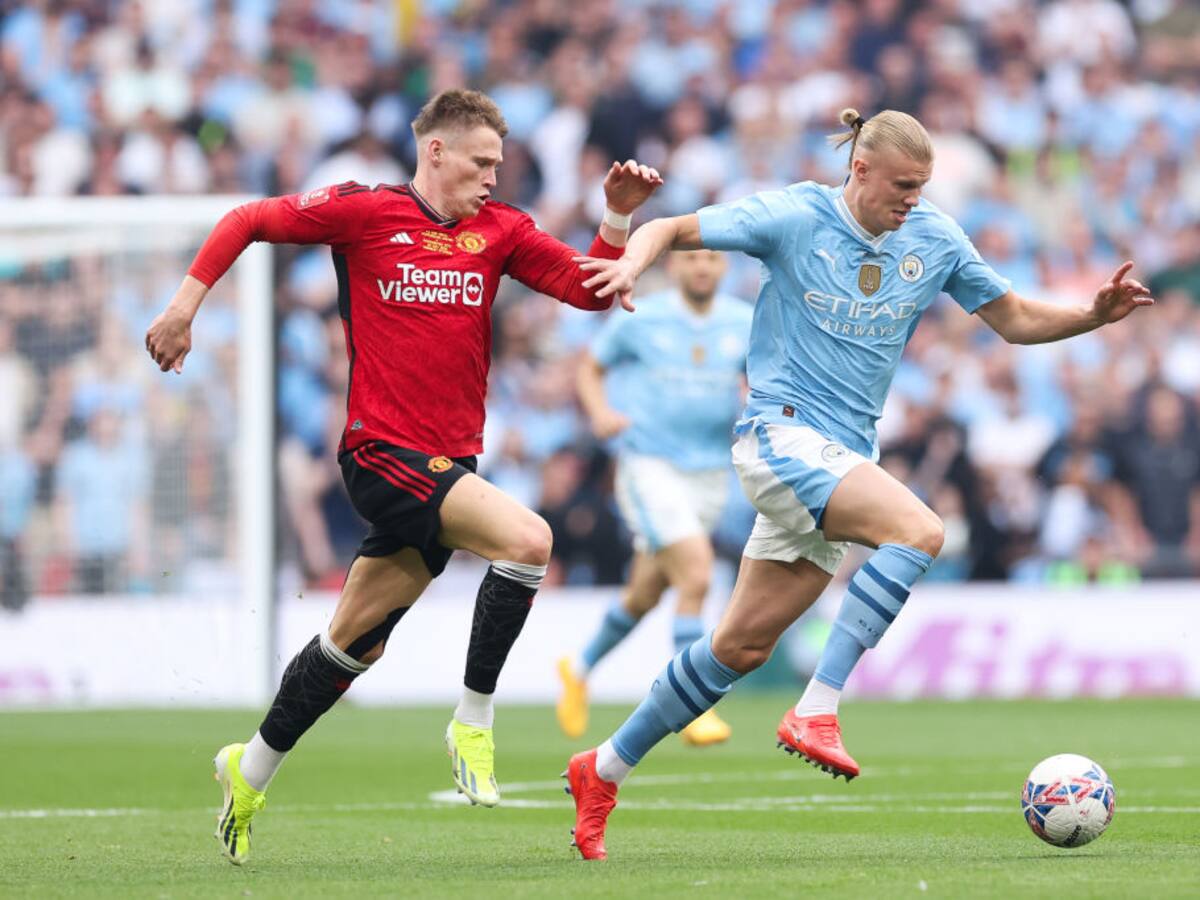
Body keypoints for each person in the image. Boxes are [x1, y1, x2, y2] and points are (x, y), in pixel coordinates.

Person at [561, 107, 1154, 860]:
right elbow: (672, 228)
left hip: (841, 457)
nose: (913, 199)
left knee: (738, 649)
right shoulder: (793, 215)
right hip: (779, 435)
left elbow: (1010, 317)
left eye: (923, 186)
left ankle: (602, 767)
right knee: (920, 531)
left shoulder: (933, 236)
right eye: (903, 185)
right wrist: (629, 257)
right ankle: (819, 706)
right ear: (861, 170)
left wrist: (1091, 317)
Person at [144, 88, 661, 865]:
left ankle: (246, 773)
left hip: (451, 464)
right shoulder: (364, 212)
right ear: (437, 151)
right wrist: (185, 306)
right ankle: (473, 722)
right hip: (380, 453)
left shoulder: (503, 230)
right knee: (529, 538)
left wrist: (616, 216)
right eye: (481, 162)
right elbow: (248, 219)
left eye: (500, 163)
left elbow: (592, 291)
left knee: (353, 645)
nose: (493, 177)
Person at [556, 249, 752, 747]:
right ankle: (691, 704)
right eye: (693, 259)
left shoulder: (743, 320)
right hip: (649, 465)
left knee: (645, 594)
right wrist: (600, 412)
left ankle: (576, 669)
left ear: (724, 267)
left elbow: (764, 377)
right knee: (698, 573)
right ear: (676, 268)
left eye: (712, 258)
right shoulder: (645, 315)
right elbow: (591, 366)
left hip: (709, 473)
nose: (703, 267)